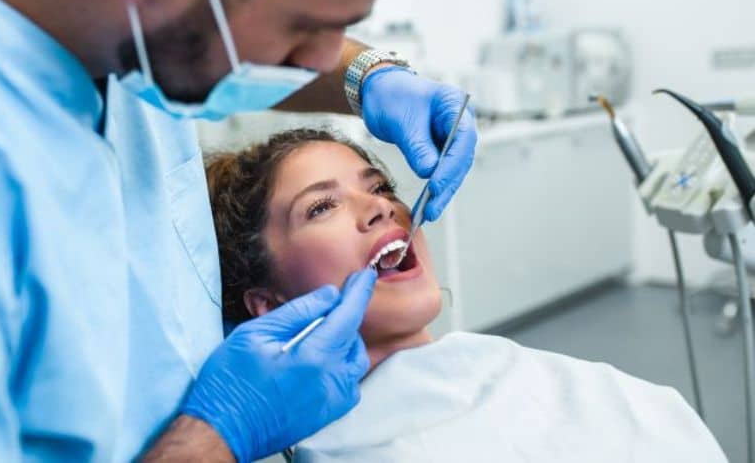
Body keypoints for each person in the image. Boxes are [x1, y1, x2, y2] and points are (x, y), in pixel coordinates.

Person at [0, 0, 478, 462]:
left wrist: (370, 75)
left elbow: (221, 44)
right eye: (301, 25)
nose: (324, 60)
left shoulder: (121, 34)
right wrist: (219, 433)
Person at [204, 128, 728, 463]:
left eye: (381, 187)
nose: (382, 208)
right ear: (269, 305)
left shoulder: (574, 385)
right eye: (321, 207)